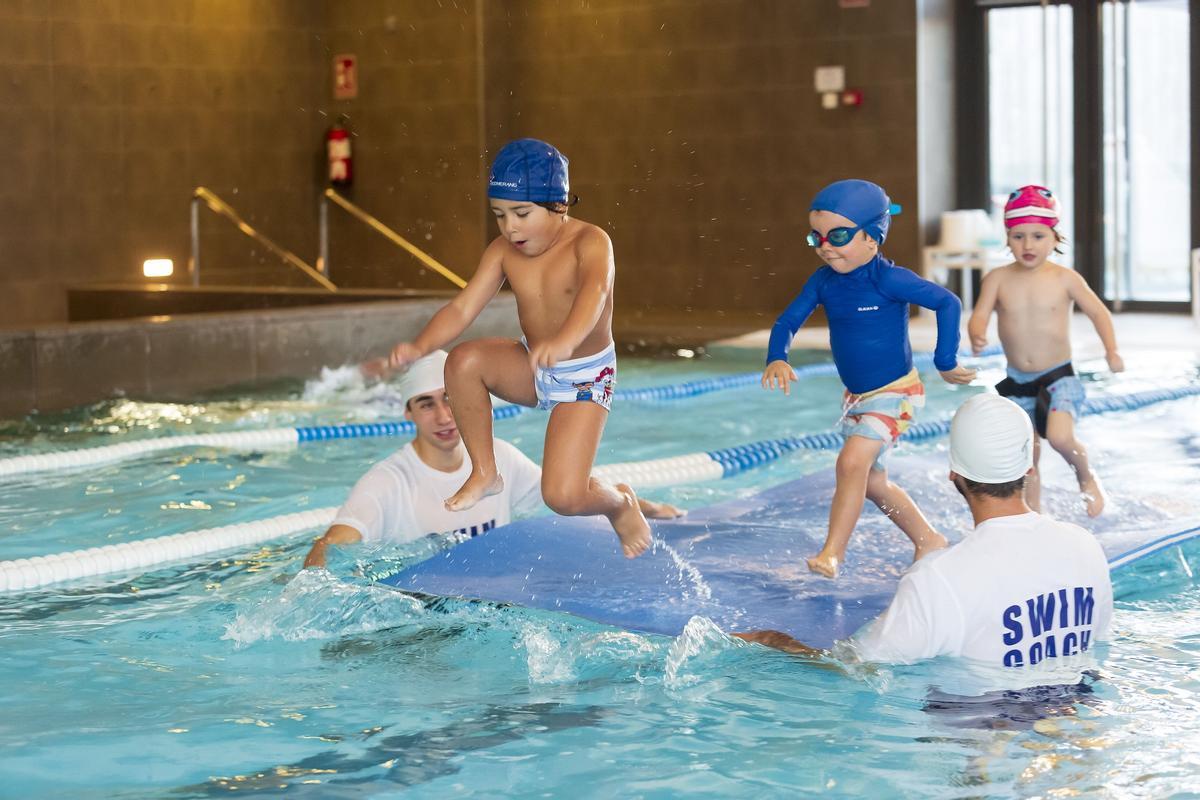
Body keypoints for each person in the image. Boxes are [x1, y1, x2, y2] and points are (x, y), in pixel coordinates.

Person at [386, 138, 654, 560]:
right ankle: (485, 472)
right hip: (535, 363)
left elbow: (595, 293)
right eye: (499, 215)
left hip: (585, 377)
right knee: (462, 361)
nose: (510, 228)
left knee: (563, 496)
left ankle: (620, 503)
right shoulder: (503, 252)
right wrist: (421, 345)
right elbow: (462, 307)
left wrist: (565, 340)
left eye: (522, 214)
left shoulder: (591, 241)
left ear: (559, 206)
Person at [735, 393, 1114, 670]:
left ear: (954, 475)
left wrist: (774, 642)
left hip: (978, 741)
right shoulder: (1085, 547)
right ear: (1029, 469)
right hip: (1072, 720)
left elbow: (852, 668)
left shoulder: (939, 578)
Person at [762, 179, 976, 579]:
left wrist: (945, 360)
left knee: (850, 463)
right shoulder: (823, 281)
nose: (826, 245)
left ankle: (831, 554)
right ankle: (928, 538)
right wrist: (777, 356)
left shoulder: (888, 279)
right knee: (873, 483)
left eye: (838, 235)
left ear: (872, 238)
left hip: (897, 394)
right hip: (857, 398)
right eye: (817, 237)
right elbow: (787, 321)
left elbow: (947, 302)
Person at [304, 351, 682, 569]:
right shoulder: (388, 482)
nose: (444, 416)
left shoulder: (499, 459)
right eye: (426, 404)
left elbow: (573, 496)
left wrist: (647, 507)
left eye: (451, 398)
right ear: (408, 413)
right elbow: (332, 544)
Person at [967, 185, 1124, 517]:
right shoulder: (996, 278)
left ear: (1055, 238)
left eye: (1038, 236)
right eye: (1018, 236)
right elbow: (979, 314)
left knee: (1061, 438)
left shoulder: (1066, 278)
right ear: (1007, 238)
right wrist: (977, 333)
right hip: (1016, 380)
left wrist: (1111, 350)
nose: (1027, 245)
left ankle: (1086, 476)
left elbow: (1098, 312)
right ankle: (1031, 513)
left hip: (1058, 377)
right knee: (1027, 455)